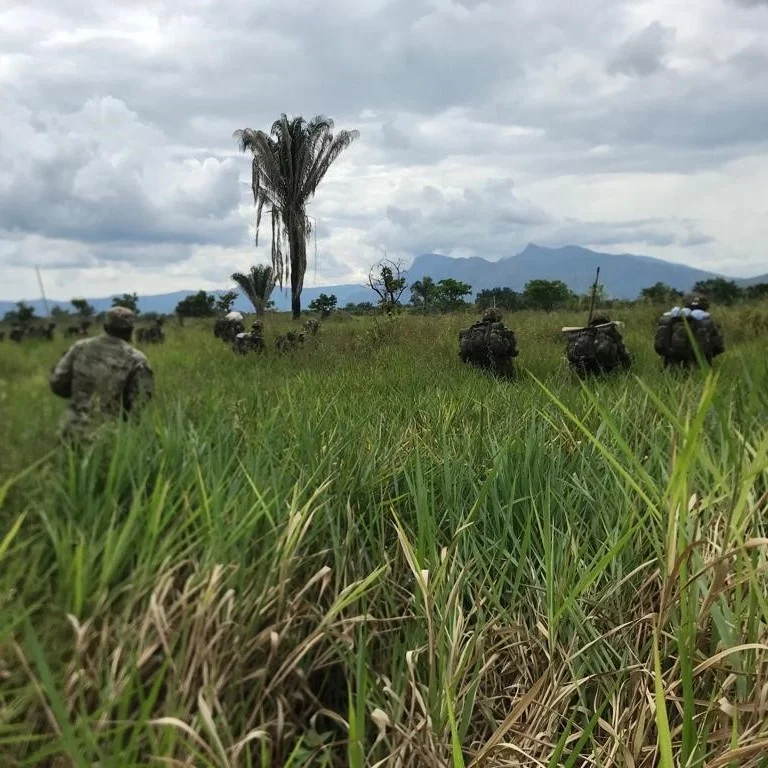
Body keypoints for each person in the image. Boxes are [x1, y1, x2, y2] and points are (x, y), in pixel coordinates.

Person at [49, 307, 154, 440]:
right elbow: (140, 404)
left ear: (105, 326)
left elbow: (57, 384)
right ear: (131, 330)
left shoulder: (79, 347)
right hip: (108, 436)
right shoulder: (137, 359)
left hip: (71, 430)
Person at [654, 294, 724, 369]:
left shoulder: (666, 319)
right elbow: (718, 346)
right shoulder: (709, 322)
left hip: (671, 362)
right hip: (699, 364)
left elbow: (659, 345)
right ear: (705, 306)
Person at [458, 308, 518, 379]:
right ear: (498, 317)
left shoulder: (473, 331)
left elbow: (465, 356)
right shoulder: (502, 331)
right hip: (501, 372)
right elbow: (513, 352)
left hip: (478, 372)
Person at [564, 315, 631, 377]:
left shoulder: (581, 334)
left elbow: (569, 356)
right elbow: (623, 354)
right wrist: (628, 368)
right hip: (605, 371)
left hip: (582, 371)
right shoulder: (610, 332)